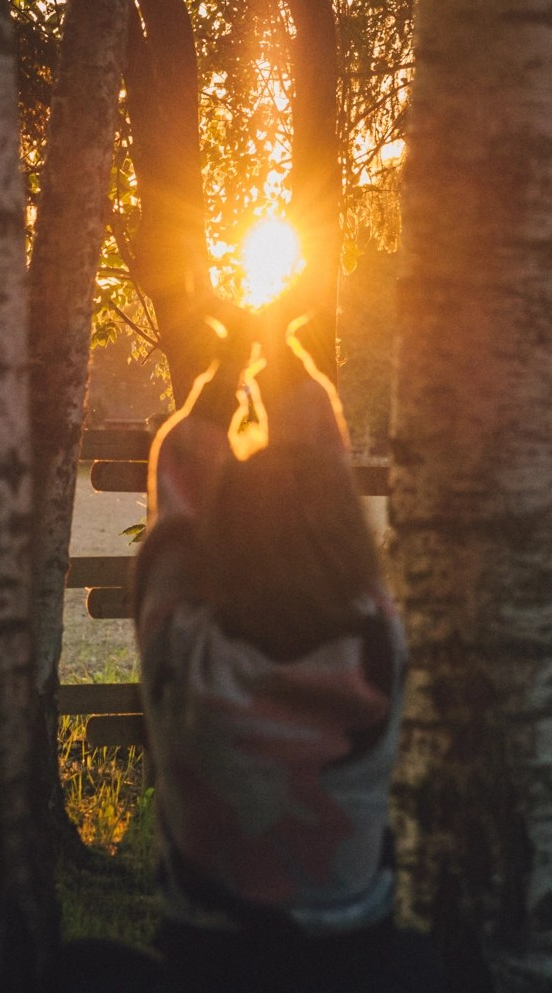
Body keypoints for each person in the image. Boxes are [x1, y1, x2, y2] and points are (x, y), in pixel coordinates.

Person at [67, 312, 440, 993]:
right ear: (340, 532)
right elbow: (322, 472)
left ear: (222, 535)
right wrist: (285, 352)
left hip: (213, 966)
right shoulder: (376, 652)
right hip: (359, 963)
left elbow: (177, 505)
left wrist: (224, 375)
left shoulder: (188, 662)